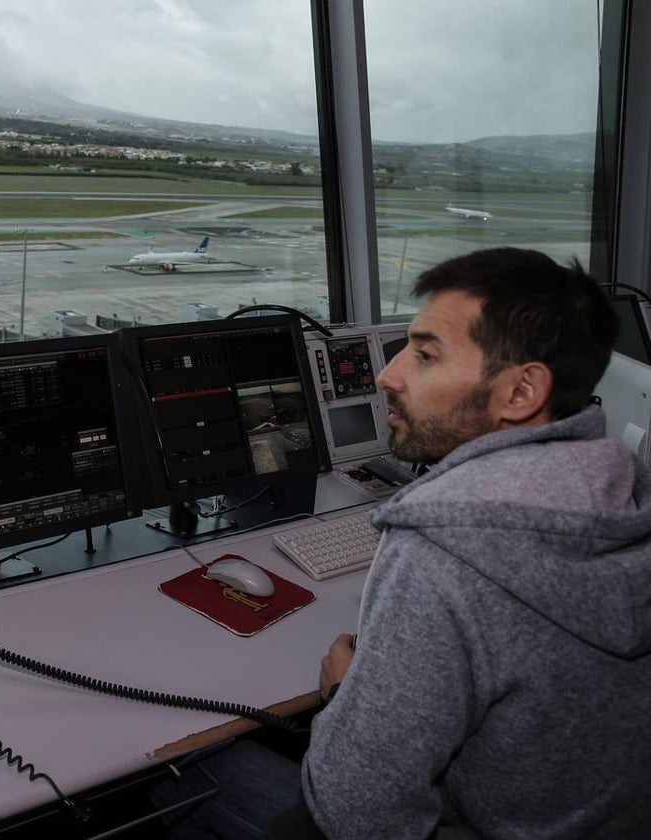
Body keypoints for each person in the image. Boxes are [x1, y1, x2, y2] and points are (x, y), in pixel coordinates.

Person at [156, 247, 651, 839]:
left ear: (521, 393)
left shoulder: (443, 552)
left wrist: (344, 696)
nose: (388, 375)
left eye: (424, 355)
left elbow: (358, 815)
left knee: (176, 768)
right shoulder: (626, 493)